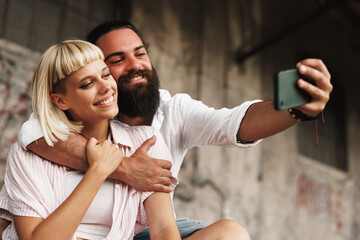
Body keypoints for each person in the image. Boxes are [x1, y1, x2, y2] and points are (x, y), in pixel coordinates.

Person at [3, 20, 332, 239]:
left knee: (230, 234)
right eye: (116, 60)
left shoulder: (165, 119)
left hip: (136, 232)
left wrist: (294, 110)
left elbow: (233, 124)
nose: (135, 65)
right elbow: (34, 136)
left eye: (140, 53)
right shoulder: (45, 134)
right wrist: (122, 168)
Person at [0, 40, 181, 239]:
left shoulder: (146, 143)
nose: (106, 87)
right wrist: (98, 171)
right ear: (60, 100)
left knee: (221, 230)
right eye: (88, 84)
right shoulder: (29, 153)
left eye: (106, 74)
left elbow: (164, 230)